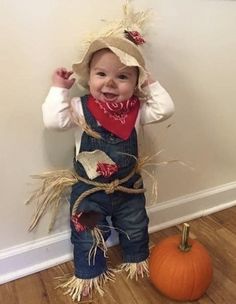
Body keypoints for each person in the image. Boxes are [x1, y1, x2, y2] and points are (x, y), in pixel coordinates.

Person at [40, 3, 174, 302]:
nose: (110, 83)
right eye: (101, 74)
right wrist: (59, 89)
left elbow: (166, 109)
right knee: (87, 234)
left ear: (135, 82)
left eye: (123, 77)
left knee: (136, 226)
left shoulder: (138, 110)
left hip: (128, 188)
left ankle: (136, 259)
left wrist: (149, 81)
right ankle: (88, 274)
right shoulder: (79, 108)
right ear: (89, 76)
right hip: (91, 191)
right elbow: (53, 121)